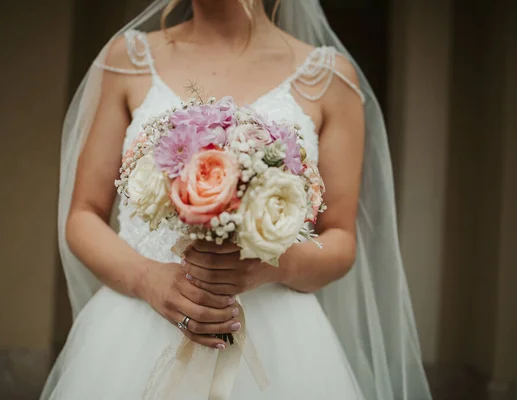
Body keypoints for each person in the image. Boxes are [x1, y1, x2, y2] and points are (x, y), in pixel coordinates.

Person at [42, 1, 432, 399]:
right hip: (137, 325)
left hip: (280, 341)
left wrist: (266, 266)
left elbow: (339, 239)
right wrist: (147, 279)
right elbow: (84, 215)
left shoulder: (330, 79)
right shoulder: (128, 59)